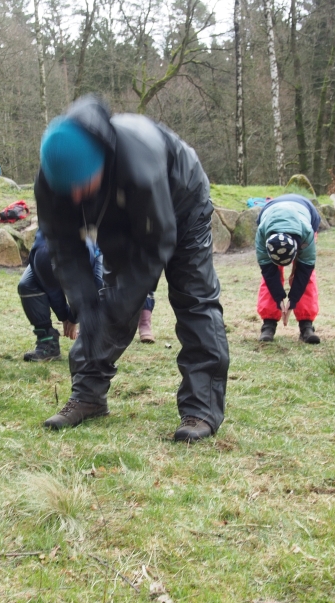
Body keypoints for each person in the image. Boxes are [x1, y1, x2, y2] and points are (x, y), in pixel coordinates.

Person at [34, 95, 229, 442]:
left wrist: (120, 302)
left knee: (193, 297)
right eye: (69, 191)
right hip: (118, 212)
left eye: (82, 185)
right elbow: (64, 247)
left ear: (102, 164)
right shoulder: (54, 177)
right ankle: (87, 396)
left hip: (180, 202)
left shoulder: (139, 160)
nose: (76, 196)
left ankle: (201, 409)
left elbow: (155, 247)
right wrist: (86, 303)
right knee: (103, 303)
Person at [19, 229, 102, 362]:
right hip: (47, 251)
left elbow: (87, 292)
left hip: (94, 243)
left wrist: (74, 318)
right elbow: (52, 290)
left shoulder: (83, 258)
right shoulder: (40, 255)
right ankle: (48, 344)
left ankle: (92, 343)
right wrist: (64, 317)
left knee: (99, 291)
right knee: (26, 285)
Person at [254, 194, 322, 343]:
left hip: (304, 216)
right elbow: (268, 271)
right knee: (271, 275)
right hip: (271, 217)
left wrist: (293, 300)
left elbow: (305, 270)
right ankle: (268, 324)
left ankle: (306, 325)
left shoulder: (307, 233)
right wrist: (279, 298)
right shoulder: (262, 232)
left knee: (306, 275)